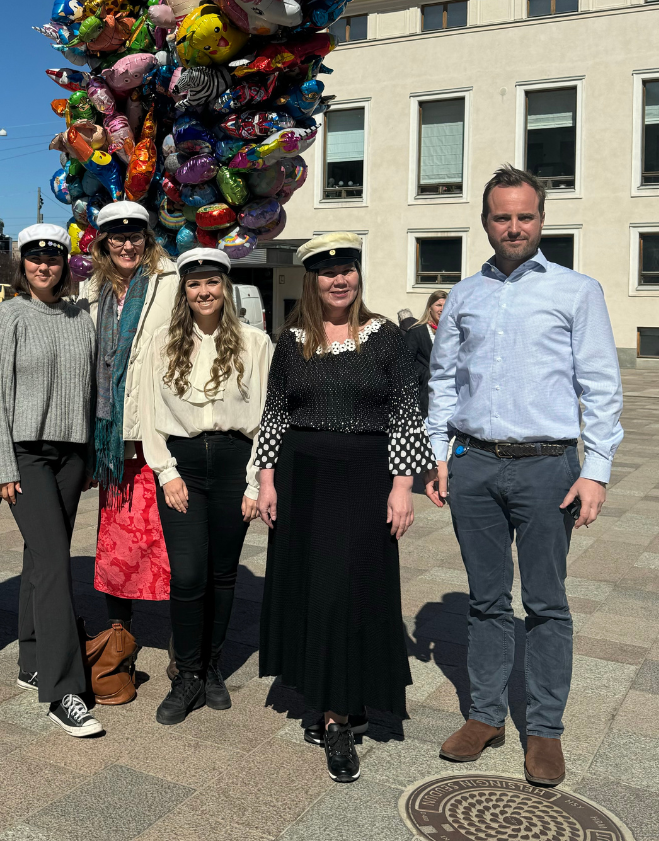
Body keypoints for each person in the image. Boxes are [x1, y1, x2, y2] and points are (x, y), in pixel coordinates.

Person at [425, 165, 623, 787]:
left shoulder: (577, 291)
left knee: (545, 603)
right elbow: (442, 382)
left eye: (525, 216)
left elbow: (601, 386)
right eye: (501, 216)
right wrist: (438, 452)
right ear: (485, 222)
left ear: (542, 219)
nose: (513, 226)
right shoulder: (464, 295)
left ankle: (545, 729)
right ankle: (485, 715)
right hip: (475, 464)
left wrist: (596, 471)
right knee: (486, 600)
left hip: (547, 467)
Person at [254, 232, 436, 784]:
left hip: (363, 477)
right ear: (312, 279)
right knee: (313, 589)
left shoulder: (387, 339)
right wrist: (265, 480)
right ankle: (326, 695)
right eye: (328, 271)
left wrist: (402, 486)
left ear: (358, 274)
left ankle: (337, 718)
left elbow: (407, 413)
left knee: (348, 589)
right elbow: (276, 413)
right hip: (300, 476)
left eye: (348, 269)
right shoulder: (293, 340)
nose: (340, 279)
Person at [0, 224, 102, 737]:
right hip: (25, 454)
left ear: (65, 264)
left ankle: (31, 658)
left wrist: (91, 455)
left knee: (39, 556)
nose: (44, 266)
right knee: (54, 562)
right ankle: (64, 689)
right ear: (21, 264)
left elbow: (92, 392)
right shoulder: (8, 316)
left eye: (52, 258)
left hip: (71, 454)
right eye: (34, 258)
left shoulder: (81, 317)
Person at [139, 248, 269, 725]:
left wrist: (256, 480)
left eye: (212, 282)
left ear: (226, 287)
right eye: (194, 284)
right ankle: (187, 673)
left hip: (237, 461)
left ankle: (212, 667)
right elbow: (147, 413)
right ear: (184, 291)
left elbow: (268, 420)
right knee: (189, 574)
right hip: (185, 465)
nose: (204, 292)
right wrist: (166, 471)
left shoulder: (255, 343)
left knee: (223, 573)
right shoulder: (161, 342)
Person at [79, 201, 178, 669]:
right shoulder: (89, 289)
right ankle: (121, 643)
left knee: (174, 545)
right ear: (102, 242)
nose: (126, 244)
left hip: (157, 436)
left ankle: (186, 654)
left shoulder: (171, 283)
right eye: (116, 236)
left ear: (147, 239)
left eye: (135, 235)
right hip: (113, 444)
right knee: (117, 546)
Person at [404, 290, 447, 418]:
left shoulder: (452, 333)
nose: (442, 309)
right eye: (438, 305)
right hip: (424, 395)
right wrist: (426, 374)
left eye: (446, 305)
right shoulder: (417, 331)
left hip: (446, 392)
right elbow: (406, 363)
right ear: (430, 308)